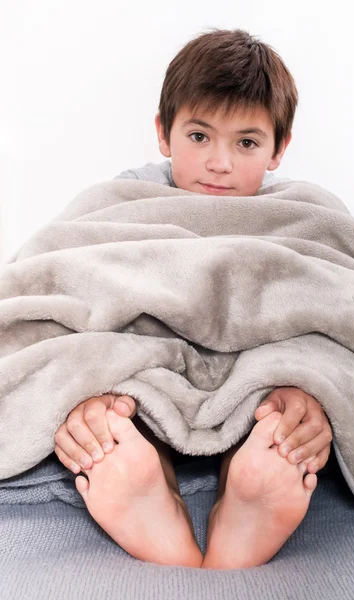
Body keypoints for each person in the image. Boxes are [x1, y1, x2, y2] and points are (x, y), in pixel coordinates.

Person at [53, 28, 332, 569]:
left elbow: (340, 305)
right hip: (154, 367)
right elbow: (65, 284)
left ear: (279, 148)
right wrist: (82, 383)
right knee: (119, 394)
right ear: (164, 133)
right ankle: (146, 482)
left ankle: (249, 485)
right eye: (199, 137)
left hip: (246, 369)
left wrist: (313, 387)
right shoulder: (122, 202)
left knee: (278, 391)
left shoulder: (300, 215)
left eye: (246, 143)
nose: (219, 163)